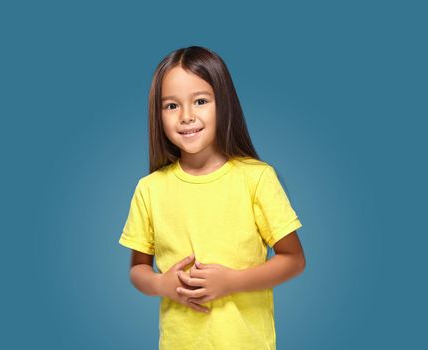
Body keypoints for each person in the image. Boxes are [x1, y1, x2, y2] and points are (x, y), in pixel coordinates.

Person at [118, 45, 306, 350]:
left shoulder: (256, 178)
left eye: (201, 101)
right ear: (158, 114)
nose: (186, 116)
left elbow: (294, 260)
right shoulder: (150, 189)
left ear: (224, 104)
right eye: (171, 106)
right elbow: (137, 269)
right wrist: (160, 284)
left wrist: (231, 282)